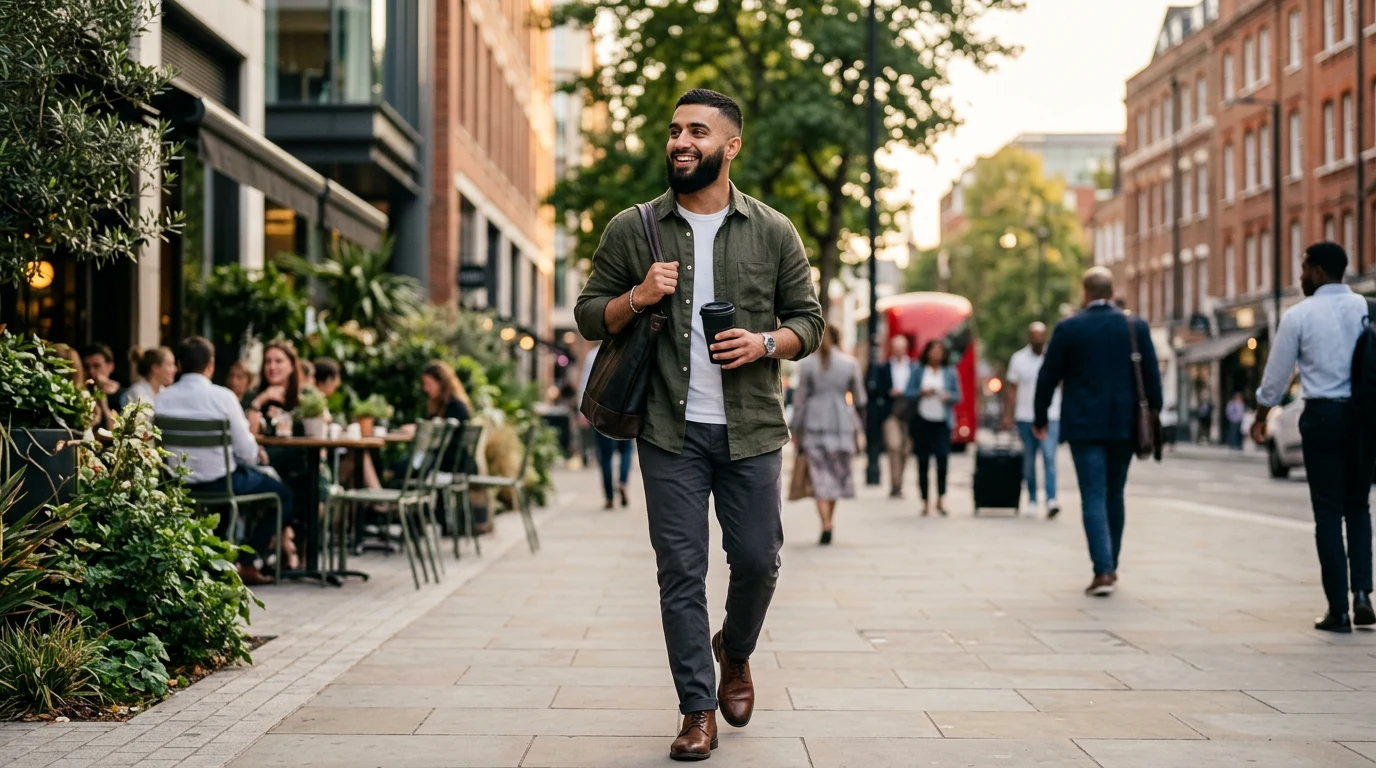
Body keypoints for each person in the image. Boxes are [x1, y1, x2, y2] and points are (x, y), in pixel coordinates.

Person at [573, 89, 823, 761]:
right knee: (680, 571)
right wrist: (638, 296)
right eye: (676, 130)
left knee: (757, 561)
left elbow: (810, 322)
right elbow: (589, 314)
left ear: (730, 146)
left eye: (698, 132)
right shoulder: (633, 228)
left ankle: (734, 651)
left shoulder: (773, 231)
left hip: (750, 428)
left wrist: (765, 344)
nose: (682, 141)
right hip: (667, 430)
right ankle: (696, 709)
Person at [1252, 242, 1375, 633]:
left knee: (1327, 514)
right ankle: (1363, 596)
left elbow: (1275, 378)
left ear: (1320, 271)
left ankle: (1338, 610)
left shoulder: (1299, 315)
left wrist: (1261, 414)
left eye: (1304, 268)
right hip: (1363, 419)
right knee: (1358, 507)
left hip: (1322, 418)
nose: (1300, 276)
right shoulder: (1368, 309)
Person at [1034, 267, 1162, 597]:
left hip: (1083, 425)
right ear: (1111, 291)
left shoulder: (1069, 327)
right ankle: (1111, 566)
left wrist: (1040, 416)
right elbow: (1151, 375)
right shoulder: (1135, 326)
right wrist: (1154, 414)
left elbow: (1048, 376)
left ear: (1085, 293)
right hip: (1124, 424)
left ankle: (1102, 569)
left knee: (1092, 493)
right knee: (1114, 493)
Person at [155, 337, 293, 587]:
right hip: (222, 483)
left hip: (177, 485)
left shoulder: (161, 399)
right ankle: (248, 562)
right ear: (211, 365)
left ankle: (208, 566)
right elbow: (247, 452)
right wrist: (254, 455)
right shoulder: (224, 397)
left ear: (179, 365)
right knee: (282, 495)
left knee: (229, 493)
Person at [791, 325, 865, 544]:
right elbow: (860, 399)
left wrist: (795, 429)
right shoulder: (850, 364)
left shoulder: (807, 365)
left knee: (819, 477)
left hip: (814, 424)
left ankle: (825, 523)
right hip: (842, 423)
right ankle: (829, 520)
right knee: (835, 476)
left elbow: (800, 401)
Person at [1003, 322, 1062, 519]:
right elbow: (1012, 388)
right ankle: (1032, 499)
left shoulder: (1053, 357)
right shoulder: (1018, 359)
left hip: (1050, 416)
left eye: (1041, 335)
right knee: (1029, 460)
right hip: (1026, 416)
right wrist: (1008, 415)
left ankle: (1052, 498)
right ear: (1028, 337)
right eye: (1034, 335)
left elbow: (1063, 385)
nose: (1037, 339)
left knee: (1049, 457)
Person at [905, 339, 961, 516]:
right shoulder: (918, 370)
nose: (936, 354)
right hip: (922, 420)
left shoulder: (950, 372)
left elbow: (958, 395)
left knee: (942, 460)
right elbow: (908, 392)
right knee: (923, 461)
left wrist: (947, 396)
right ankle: (924, 501)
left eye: (939, 351)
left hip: (942, 422)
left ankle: (941, 499)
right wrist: (921, 392)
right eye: (933, 350)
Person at [578, 344, 634, 510]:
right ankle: (623, 482)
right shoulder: (629, 350)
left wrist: (582, 411)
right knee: (626, 450)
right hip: (626, 410)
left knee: (606, 455)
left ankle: (609, 497)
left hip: (602, 411)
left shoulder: (594, 355)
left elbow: (585, 384)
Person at [871, 334, 915, 498]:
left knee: (905, 449)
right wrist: (890, 392)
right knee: (894, 446)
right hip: (891, 412)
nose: (898, 350)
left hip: (908, 413)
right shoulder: (884, 367)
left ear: (905, 349)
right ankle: (895, 485)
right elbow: (876, 389)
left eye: (901, 347)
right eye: (895, 347)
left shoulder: (913, 366)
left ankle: (899, 482)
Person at [245, 341, 304, 435]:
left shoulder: (304, 398)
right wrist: (259, 401)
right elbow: (246, 438)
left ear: (292, 366)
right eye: (268, 362)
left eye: (279, 361)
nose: (272, 367)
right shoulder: (252, 396)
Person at [80, 343, 125, 411]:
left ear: (110, 367)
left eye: (96, 366)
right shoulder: (81, 393)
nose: (91, 371)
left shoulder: (124, 395)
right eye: (86, 367)